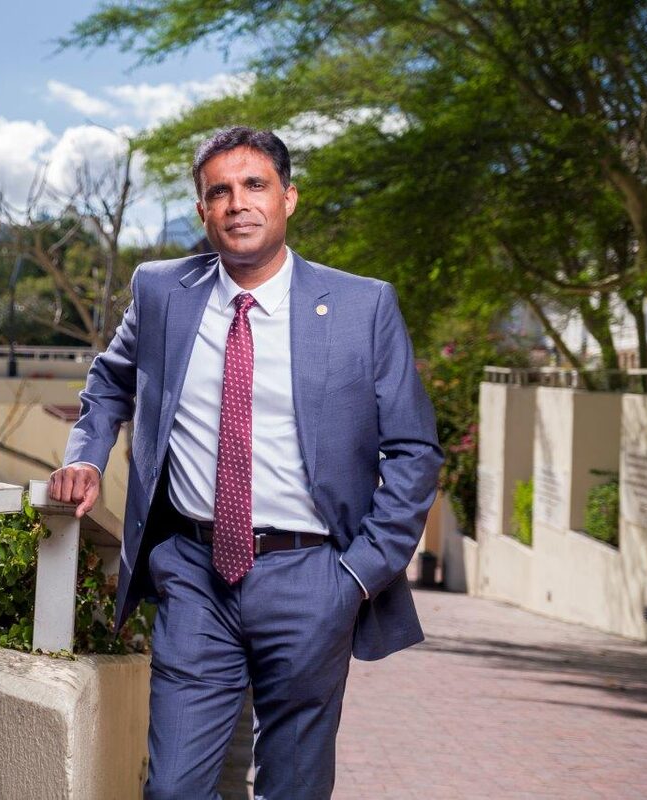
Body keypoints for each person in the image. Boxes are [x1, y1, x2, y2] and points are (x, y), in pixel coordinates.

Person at [48, 126, 443, 799]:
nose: (238, 203)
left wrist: (357, 576)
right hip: (195, 573)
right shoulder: (162, 291)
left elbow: (413, 450)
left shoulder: (361, 305)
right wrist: (85, 455)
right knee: (173, 787)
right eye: (219, 192)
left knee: (291, 787)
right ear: (203, 210)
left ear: (289, 197)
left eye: (254, 185)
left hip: (313, 576)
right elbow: (111, 380)